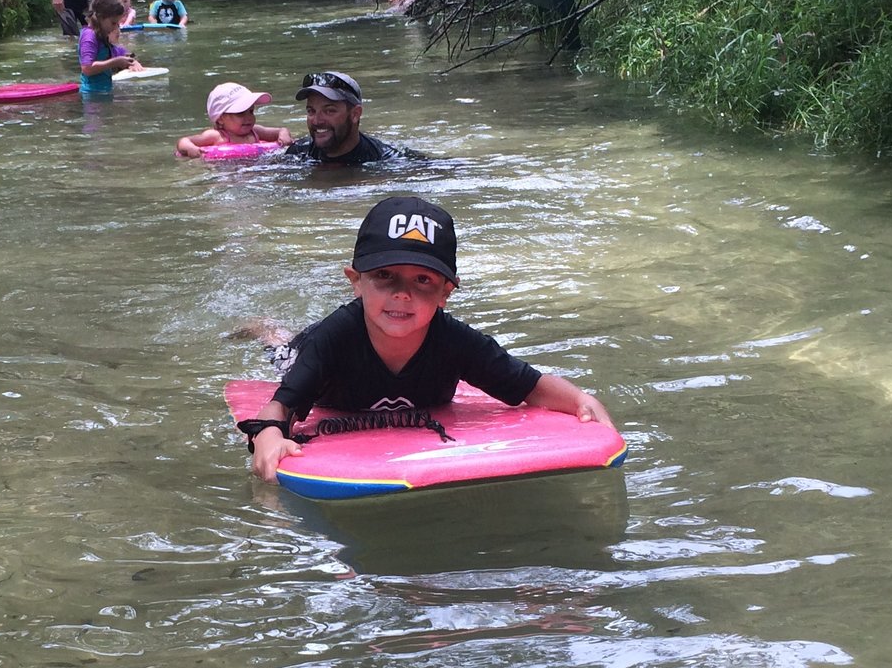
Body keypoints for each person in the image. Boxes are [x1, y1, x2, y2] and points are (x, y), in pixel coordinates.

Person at [239, 194, 614, 483]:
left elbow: (530, 385)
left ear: (446, 292)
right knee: (282, 352)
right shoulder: (335, 338)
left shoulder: (455, 341)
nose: (402, 294)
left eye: (423, 280)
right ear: (356, 282)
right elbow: (281, 406)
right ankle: (265, 329)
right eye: (385, 275)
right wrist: (269, 434)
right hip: (316, 363)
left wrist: (580, 398)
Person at [282, 70, 409, 169]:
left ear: (355, 114)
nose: (316, 121)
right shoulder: (298, 153)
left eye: (329, 111)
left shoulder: (389, 160)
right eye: (311, 111)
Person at [177, 83, 292, 158]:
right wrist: (191, 148)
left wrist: (284, 135)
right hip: (227, 173)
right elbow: (184, 141)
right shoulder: (217, 136)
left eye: (251, 111)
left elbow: (280, 131)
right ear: (221, 119)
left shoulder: (255, 131)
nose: (249, 117)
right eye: (240, 113)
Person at [78, 0, 143, 89]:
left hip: (105, 91)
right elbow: (87, 68)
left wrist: (132, 62)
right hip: (92, 95)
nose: (116, 27)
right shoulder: (89, 36)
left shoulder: (101, 35)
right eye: (113, 23)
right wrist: (116, 62)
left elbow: (118, 52)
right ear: (100, 17)